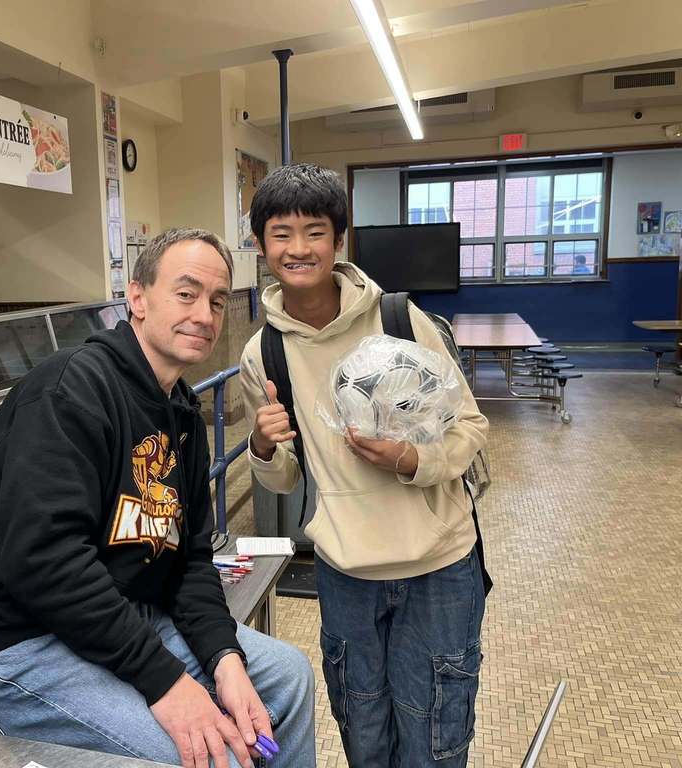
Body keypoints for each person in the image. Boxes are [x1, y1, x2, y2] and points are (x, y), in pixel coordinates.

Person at [0, 227, 315, 768]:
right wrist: (168, 683)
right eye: (185, 294)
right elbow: (45, 563)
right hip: (15, 642)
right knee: (212, 759)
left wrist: (225, 659)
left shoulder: (180, 413)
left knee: (288, 679)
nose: (204, 315)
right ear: (136, 298)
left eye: (217, 301)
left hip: (124, 617)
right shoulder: (71, 392)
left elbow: (191, 559)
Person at [239, 164, 490, 767]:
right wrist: (264, 446)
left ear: (339, 239)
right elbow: (282, 478)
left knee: (434, 732)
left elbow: (471, 429)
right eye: (281, 233)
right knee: (363, 728)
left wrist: (411, 458)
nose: (298, 249)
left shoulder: (403, 321)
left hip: (439, 564)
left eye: (315, 231)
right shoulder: (263, 352)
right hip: (345, 570)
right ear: (260, 244)